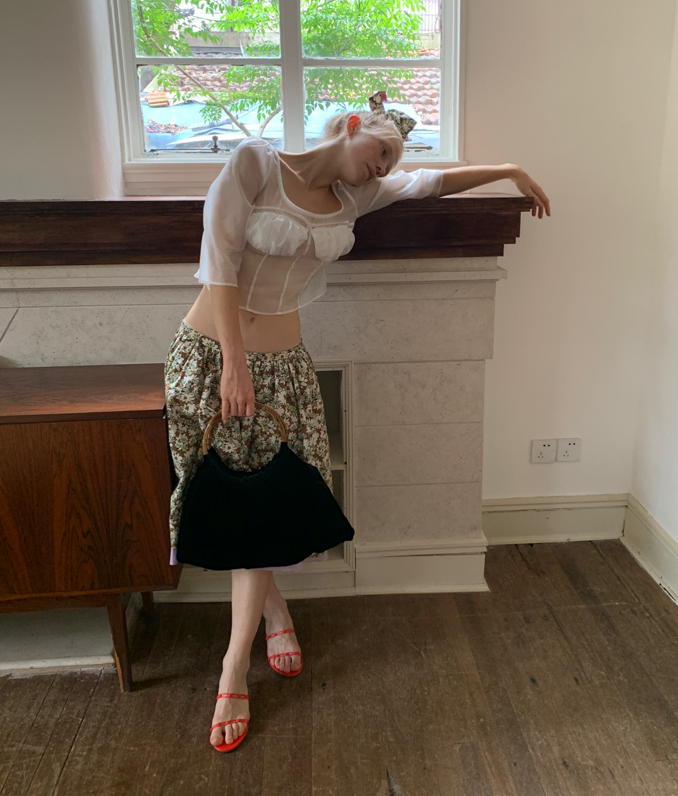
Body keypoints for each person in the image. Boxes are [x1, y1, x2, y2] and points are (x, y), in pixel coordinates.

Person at [163, 107, 551, 753]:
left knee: (273, 501)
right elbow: (220, 263)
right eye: (383, 151)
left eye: (392, 161)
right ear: (350, 125)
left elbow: (430, 183)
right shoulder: (256, 163)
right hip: (211, 357)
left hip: (285, 367)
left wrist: (508, 169)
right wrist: (234, 365)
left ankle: (247, 647)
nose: (386, 167)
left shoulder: (358, 196)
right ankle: (255, 639)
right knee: (234, 500)